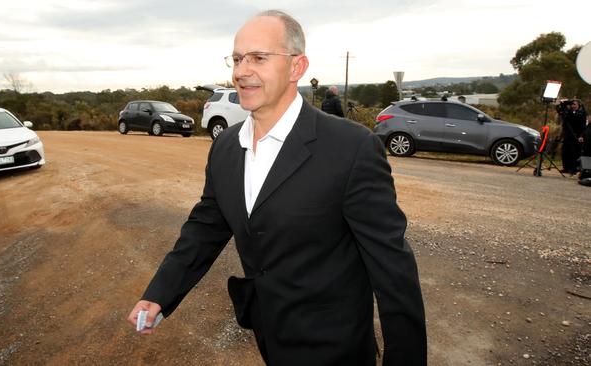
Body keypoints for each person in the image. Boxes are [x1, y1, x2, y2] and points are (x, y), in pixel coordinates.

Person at [128, 10, 426, 366]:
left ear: (297, 67)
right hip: (268, 334)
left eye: (258, 58)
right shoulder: (225, 149)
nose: (241, 71)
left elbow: (393, 268)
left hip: (335, 346)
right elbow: (205, 228)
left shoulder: (350, 147)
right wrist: (160, 294)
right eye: (238, 59)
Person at [559, 99, 586, 174]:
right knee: (565, 151)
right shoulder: (569, 112)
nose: (573, 106)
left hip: (576, 135)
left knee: (574, 153)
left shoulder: (581, 113)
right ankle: (566, 168)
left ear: (578, 105)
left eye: (575, 104)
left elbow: (582, 126)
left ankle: (574, 168)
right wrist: (563, 104)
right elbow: (562, 113)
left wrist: (581, 136)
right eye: (572, 104)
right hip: (567, 135)